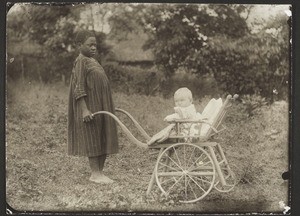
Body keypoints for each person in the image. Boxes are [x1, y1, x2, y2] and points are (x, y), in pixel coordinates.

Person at [68, 30, 118, 184]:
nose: (94, 48)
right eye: (90, 45)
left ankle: (100, 173)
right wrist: (84, 109)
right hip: (90, 106)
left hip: (101, 105)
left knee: (103, 136)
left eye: (95, 45)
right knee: (93, 137)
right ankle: (95, 173)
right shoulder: (81, 61)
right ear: (79, 45)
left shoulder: (93, 61)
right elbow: (79, 87)